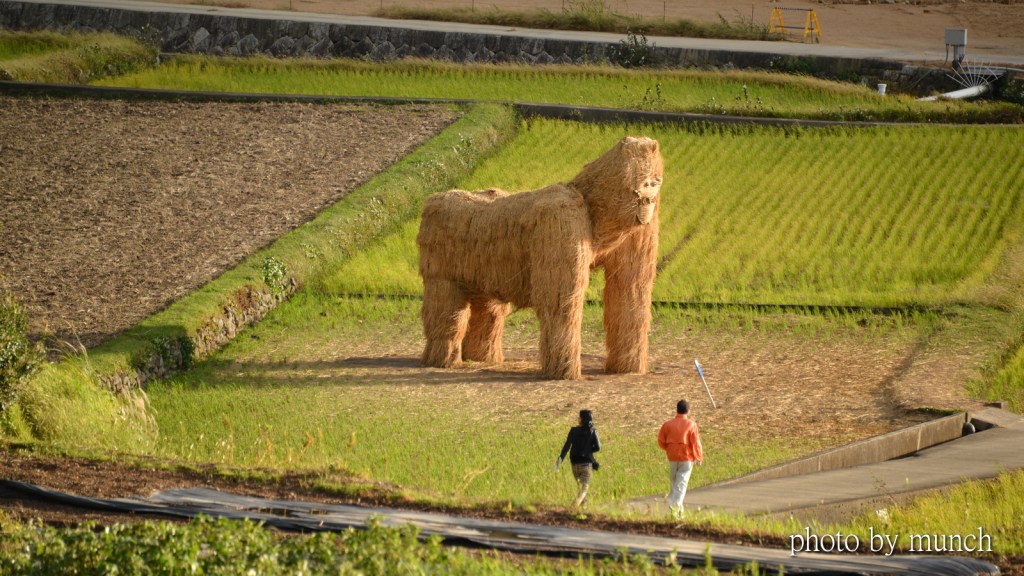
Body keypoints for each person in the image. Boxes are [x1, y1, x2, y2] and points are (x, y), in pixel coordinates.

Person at [658, 399, 703, 519]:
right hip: (686, 458)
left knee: (674, 485)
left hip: (672, 457)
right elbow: (695, 442)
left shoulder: (667, 424)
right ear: (688, 411)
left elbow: (661, 441)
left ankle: (679, 515)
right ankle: (674, 507)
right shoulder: (691, 424)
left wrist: (669, 449)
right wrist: (698, 456)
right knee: (681, 485)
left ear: (677, 409)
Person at [555, 409, 601, 507]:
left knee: (581, 489)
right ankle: (572, 508)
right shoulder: (593, 431)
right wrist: (588, 450)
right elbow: (598, 447)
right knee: (584, 490)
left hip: (574, 466)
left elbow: (567, 446)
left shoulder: (573, 430)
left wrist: (560, 459)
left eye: (579, 417)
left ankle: (584, 509)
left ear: (582, 419)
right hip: (586, 466)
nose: (578, 419)